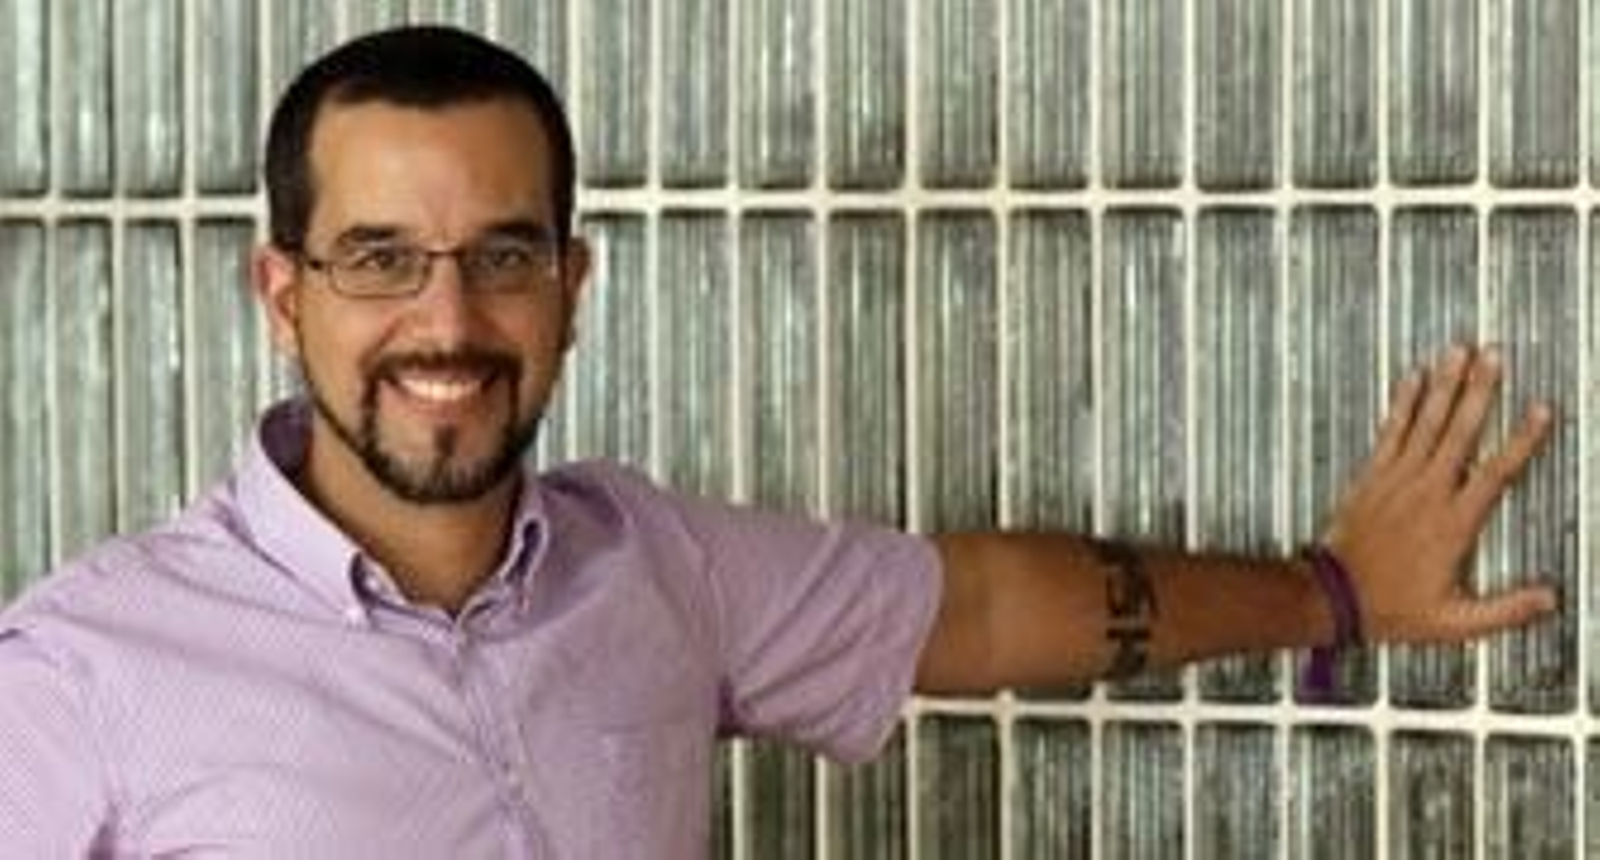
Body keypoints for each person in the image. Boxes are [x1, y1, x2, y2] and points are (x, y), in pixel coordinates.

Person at [0, 25, 1557, 858]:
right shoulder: (83, 672)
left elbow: (976, 606)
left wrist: (1333, 594)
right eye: (380, 259)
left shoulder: (651, 569)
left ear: (572, 286)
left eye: (504, 254)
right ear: (284, 295)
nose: (448, 320)